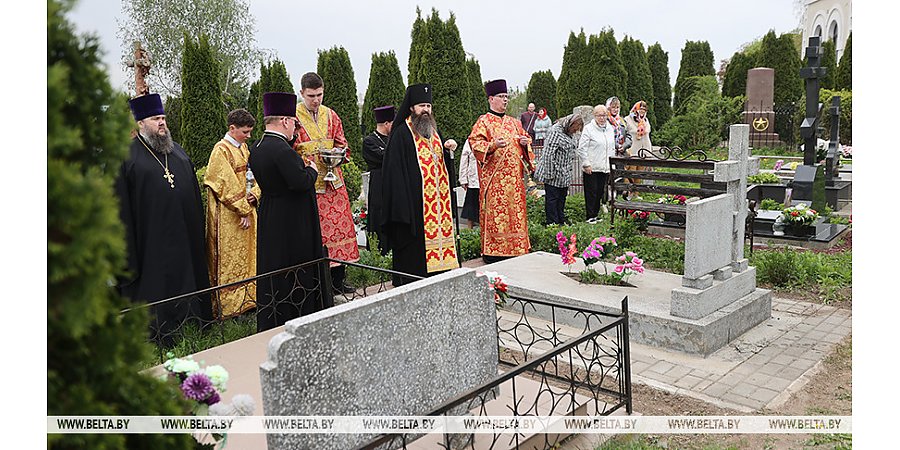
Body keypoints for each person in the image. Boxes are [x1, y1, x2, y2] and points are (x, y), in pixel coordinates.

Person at [115, 93, 211, 343]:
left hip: (184, 235)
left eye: (163, 117)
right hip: (151, 240)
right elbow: (120, 205)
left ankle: (193, 325)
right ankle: (158, 334)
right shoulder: (126, 157)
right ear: (140, 123)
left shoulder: (177, 152)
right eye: (156, 118)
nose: (162, 123)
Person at [249, 92, 324, 332]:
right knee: (295, 268)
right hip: (293, 220)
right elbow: (300, 181)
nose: (295, 127)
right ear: (284, 121)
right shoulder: (281, 150)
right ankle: (298, 313)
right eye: (293, 122)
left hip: (271, 213)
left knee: (274, 266)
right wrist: (311, 169)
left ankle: (273, 315)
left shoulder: (258, 147)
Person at [380, 83, 460, 286]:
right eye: (422, 105)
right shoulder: (401, 134)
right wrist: (403, 210)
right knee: (414, 264)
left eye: (428, 106)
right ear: (411, 108)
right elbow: (394, 175)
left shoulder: (433, 131)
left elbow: (441, 167)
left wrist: (449, 152)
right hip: (413, 210)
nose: (426, 110)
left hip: (438, 209)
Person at [293, 72, 359, 294]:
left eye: (320, 95)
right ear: (301, 92)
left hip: (335, 186)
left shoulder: (331, 115)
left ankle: (339, 281)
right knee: (319, 236)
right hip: (312, 187)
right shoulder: (292, 119)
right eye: (311, 95)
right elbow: (291, 152)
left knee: (341, 232)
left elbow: (344, 144)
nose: (316, 100)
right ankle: (321, 285)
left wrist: (339, 154)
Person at [468, 79, 535, 264]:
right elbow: (475, 143)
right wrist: (492, 146)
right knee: (497, 217)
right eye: (501, 97)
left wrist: (525, 142)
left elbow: (526, 140)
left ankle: (518, 247)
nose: (505, 100)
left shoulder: (514, 122)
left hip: (514, 182)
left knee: (515, 216)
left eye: (507, 97)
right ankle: (494, 252)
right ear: (491, 99)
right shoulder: (484, 122)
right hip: (495, 182)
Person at [204, 108, 261, 319]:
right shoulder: (221, 150)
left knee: (247, 256)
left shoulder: (244, 148)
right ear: (232, 128)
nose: (248, 135)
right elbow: (224, 184)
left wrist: (255, 194)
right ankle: (229, 308)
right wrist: (244, 209)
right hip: (228, 217)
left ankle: (248, 300)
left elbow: (255, 176)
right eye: (245, 131)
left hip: (246, 210)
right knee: (229, 259)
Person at [533, 113, 584, 225]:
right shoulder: (555, 131)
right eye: (575, 129)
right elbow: (548, 154)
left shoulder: (569, 133)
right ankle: (552, 223)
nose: (576, 132)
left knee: (562, 198)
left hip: (564, 173)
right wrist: (550, 175)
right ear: (570, 124)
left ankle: (561, 221)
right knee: (552, 199)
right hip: (553, 171)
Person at [362, 105, 395, 255]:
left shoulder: (393, 138)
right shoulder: (369, 141)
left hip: (394, 185)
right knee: (379, 214)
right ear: (387, 123)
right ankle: (379, 253)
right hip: (379, 184)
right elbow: (384, 158)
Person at [577, 105, 616, 223]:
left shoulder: (610, 128)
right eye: (599, 115)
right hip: (591, 167)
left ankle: (595, 214)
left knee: (600, 191)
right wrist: (586, 163)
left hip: (604, 166)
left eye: (604, 115)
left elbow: (611, 147)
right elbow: (582, 148)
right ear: (594, 116)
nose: (602, 118)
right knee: (591, 192)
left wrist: (611, 164)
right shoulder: (589, 129)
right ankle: (590, 216)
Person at [623, 100, 652, 199]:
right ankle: (628, 193)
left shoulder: (645, 120)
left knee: (639, 173)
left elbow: (647, 132)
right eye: (640, 109)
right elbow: (626, 134)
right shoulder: (627, 119)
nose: (642, 111)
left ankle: (636, 193)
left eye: (644, 110)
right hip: (633, 150)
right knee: (631, 172)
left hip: (643, 150)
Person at [457, 139, 480, 228]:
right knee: (471, 207)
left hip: (487, 181)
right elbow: (464, 159)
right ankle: (469, 232)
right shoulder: (470, 141)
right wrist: (463, 179)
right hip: (473, 180)